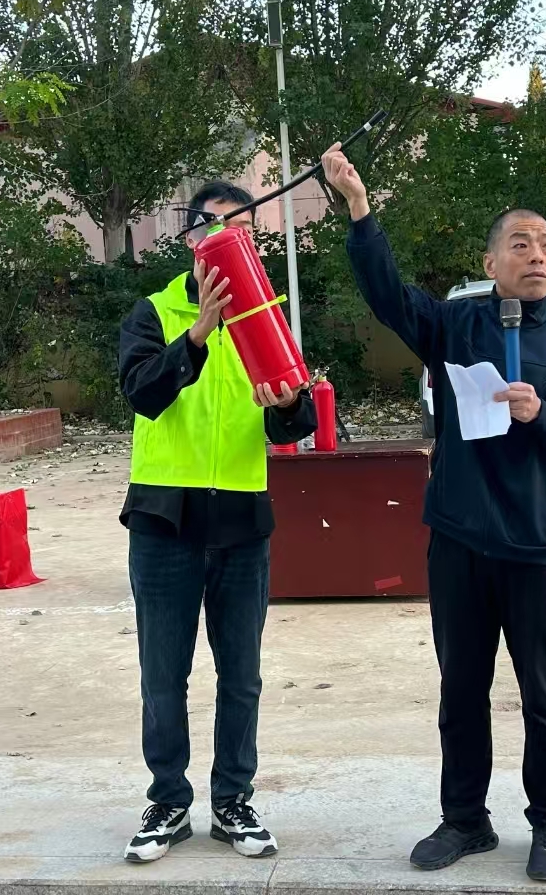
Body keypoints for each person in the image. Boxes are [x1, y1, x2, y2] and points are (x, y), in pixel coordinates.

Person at [321, 146, 546, 882]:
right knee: (461, 692)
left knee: (545, 697)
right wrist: (359, 210)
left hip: (537, 547)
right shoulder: (455, 325)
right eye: (520, 243)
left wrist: (545, 414)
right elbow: (389, 296)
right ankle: (464, 820)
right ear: (491, 263)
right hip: (459, 540)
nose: (536, 254)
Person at [117, 180, 317, 863]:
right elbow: (142, 393)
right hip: (164, 520)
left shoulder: (265, 316)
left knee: (241, 677)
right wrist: (199, 332)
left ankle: (233, 801)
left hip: (240, 521)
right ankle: (168, 802)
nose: (229, 238)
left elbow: (295, 419)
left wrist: (287, 404)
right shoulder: (155, 311)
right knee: (162, 676)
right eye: (215, 226)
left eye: (243, 227)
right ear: (192, 238)